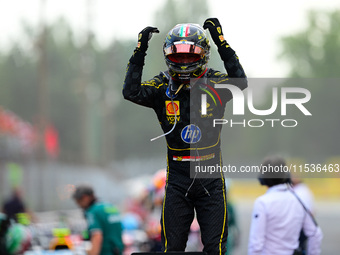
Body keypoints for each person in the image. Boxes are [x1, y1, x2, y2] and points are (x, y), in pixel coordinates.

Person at [123, 18, 247, 255]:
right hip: (177, 180)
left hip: (211, 178)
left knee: (215, 248)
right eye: (178, 55)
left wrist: (221, 41)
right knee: (172, 248)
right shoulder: (161, 86)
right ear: (168, 55)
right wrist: (140, 52)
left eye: (190, 55)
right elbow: (131, 91)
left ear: (203, 55)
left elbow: (240, 82)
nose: (184, 61)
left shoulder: (216, 82)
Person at [248, 156, 323, 255]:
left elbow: (256, 245)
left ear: (263, 179)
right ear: (286, 176)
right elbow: (316, 234)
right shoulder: (298, 200)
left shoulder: (262, 203)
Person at [72, 185, 124, 255]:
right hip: (118, 251)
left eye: (78, 202)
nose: (79, 205)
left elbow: (97, 235)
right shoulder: (110, 207)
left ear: (85, 198)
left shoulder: (93, 211)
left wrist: (91, 253)